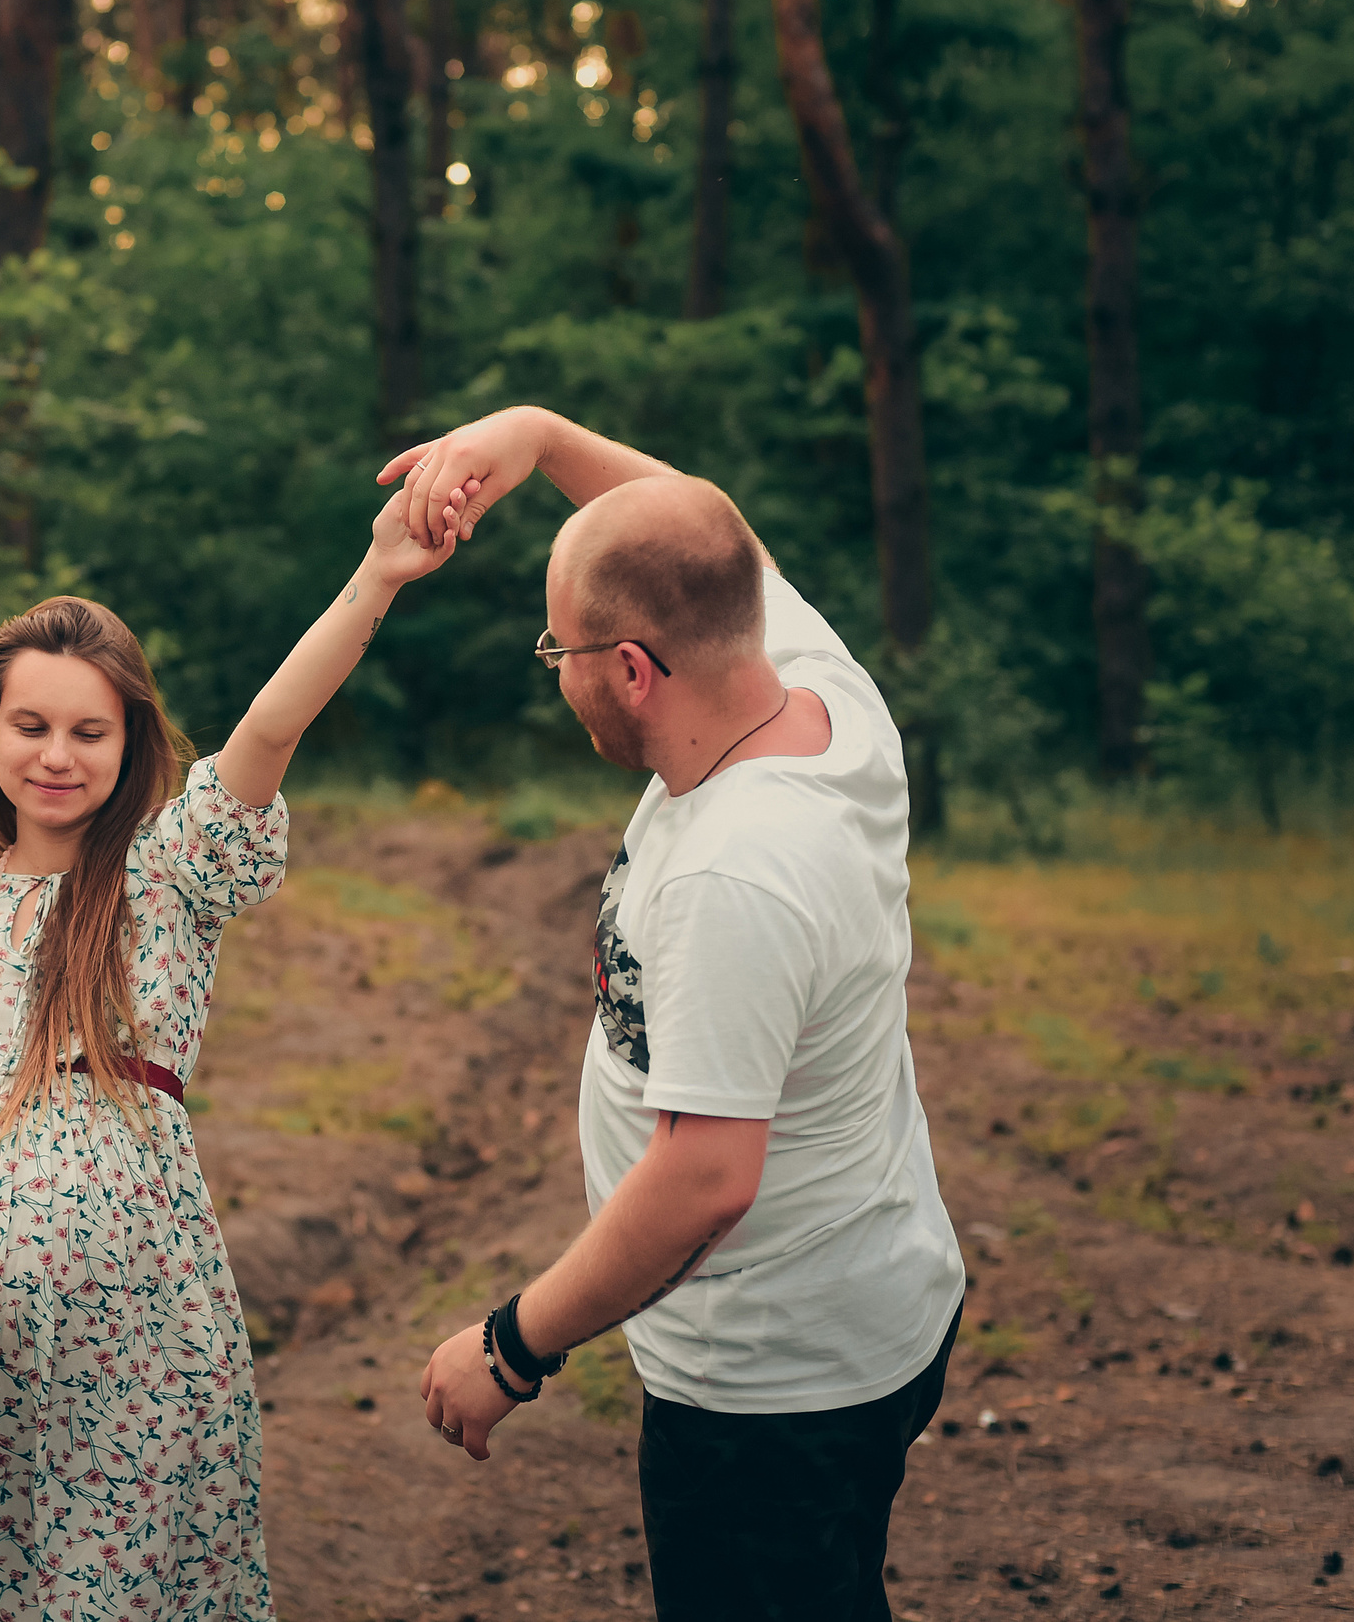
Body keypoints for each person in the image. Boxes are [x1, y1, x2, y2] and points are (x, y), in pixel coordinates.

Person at [0, 494, 452, 1622]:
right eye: (29, 724)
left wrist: (377, 576)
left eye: (89, 731)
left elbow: (269, 731)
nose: (55, 754)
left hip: (125, 1346)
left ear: (131, 741)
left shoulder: (167, 875)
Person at [395, 407, 966, 1621]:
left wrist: (511, 1345)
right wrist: (539, 437)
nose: (556, 675)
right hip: (861, 1289)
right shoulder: (807, 679)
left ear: (631, 670)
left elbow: (705, 1177)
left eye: (558, 651)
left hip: (772, 1387)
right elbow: (703, 535)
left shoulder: (733, 871)